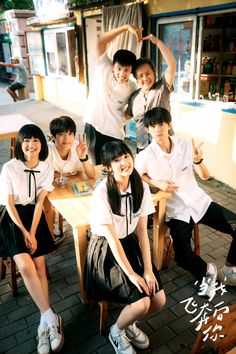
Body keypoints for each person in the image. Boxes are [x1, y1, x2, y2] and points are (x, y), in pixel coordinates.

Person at [135, 107, 236, 299]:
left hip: (199, 202)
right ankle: (207, 271)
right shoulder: (145, 156)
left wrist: (198, 161)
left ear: (169, 124)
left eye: (161, 124)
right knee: (181, 256)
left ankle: (229, 271)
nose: (158, 129)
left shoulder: (185, 145)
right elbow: (136, 175)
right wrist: (156, 182)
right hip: (176, 211)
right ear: (147, 129)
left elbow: (205, 177)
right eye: (153, 125)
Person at [85, 141, 166, 354]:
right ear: (108, 167)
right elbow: (112, 239)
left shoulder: (140, 186)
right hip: (106, 251)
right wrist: (131, 274)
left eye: (126, 156)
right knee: (141, 303)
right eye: (117, 160)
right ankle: (116, 331)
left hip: (129, 243)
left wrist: (148, 270)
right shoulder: (102, 193)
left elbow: (141, 232)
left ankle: (129, 324)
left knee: (158, 300)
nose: (124, 163)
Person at [0, 124, 64, 354]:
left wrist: (35, 230)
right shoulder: (9, 168)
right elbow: (8, 203)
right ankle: (51, 316)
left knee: (39, 265)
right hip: (12, 218)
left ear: (41, 144)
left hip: (33, 217)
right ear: (20, 143)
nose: (31, 144)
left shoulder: (46, 168)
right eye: (26, 140)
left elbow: (40, 202)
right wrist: (25, 232)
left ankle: (43, 323)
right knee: (26, 266)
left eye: (35, 140)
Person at [83, 24, 142, 164]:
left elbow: (130, 112)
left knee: (118, 165)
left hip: (115, 131)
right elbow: (101, 41)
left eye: (127, 70)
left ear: (131, 71)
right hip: (94, 126)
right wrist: (126, 28)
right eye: (119, 69)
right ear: (113, 66)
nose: (122, 74)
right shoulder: (103, 66)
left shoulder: (133, 87)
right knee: (96, 166)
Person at [47, 116, 95, 238]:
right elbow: (46, 174)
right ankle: (50, 231)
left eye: (70, 134)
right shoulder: (48, 150)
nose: (66, 138)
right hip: (54, 186)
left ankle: (89, 227)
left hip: (73, 184)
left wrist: (83, 157)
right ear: (53, 137)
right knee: (48, 206)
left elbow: (91, 174)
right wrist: (66, 174)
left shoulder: (77, 147)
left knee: (89, 197)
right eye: (61, 134)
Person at [126, 34, 176, 152]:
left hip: (164, 145)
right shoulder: (134, 97)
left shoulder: (162, 88)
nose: (145, 78)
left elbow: (172, 64)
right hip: (142, 147)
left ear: (154, 73)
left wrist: (157, 42)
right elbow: (126, 116)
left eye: (148, 73)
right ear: (136, 79)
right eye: (140, 76)